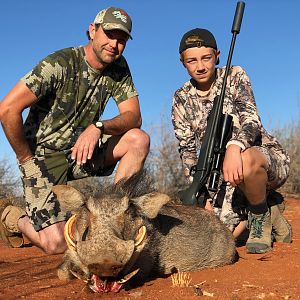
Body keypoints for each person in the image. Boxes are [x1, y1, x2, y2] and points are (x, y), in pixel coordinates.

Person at [0, 6, 150, 254]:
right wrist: (26, 159)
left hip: (81, 150)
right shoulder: (59, 64)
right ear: (92, 31)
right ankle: (12, 216)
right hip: (42, 157)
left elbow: (134, 117)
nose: (114, 44)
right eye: (109, 34)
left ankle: (113, 216)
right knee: (57, 243)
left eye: (121, 39)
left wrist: (98, 126)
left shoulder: (119, 68)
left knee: (138, 140)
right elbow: (7, 109)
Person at [171, 28, 292, 254]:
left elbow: (251, 119)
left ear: (217, 55)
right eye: (192, 60)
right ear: (182, 62)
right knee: (222, 235)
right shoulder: (181, 97)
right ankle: (270, 204)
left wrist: (234, 146)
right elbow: (186, 150)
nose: (200, 66)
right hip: (222, 174)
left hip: (262, 160)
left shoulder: (235, 75)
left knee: (245, 160)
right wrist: (201, 193)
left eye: (206, 58)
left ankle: (258, 214)